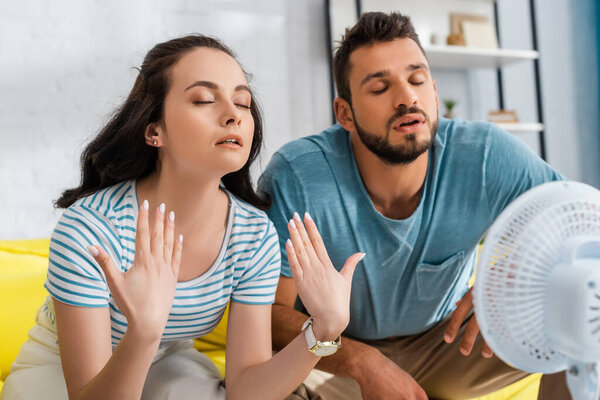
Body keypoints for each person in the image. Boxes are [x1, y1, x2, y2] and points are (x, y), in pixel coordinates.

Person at [0, 35, 365, 400]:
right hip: (63, 370)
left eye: (243, 102)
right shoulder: (90, 230)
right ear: (154, 130)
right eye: (204, 99)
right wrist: (142, 331)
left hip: (167, 358)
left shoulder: (252, 235)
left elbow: (247, 390)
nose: (233, 114)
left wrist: (324, 330)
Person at [258, 12, 572, 400]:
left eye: (417, 80)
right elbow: (267, 315)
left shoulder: (485, 154)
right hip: (336, 353)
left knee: (579, 318)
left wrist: (509, 280)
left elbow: (579, 224)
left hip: (450, 344)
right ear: (345, 114)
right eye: (379, 88)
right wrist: (361, 361)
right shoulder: (298, 174)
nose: (407, 97)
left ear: (434, 93)